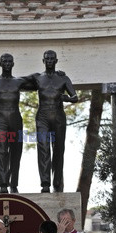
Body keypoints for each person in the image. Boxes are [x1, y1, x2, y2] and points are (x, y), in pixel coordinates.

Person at [0, 53, 36, 194]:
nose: (7, 63)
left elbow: (37, 79)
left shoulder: (18, 81)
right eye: (4, 61)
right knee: (2, 151)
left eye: (9, 61)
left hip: (15, 118)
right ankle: (3, 184)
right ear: (0, 64)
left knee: (16, 153)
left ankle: (14, 184)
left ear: (13, 64)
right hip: (0, 118)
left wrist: (54, 74)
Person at [27, 50, 78, 193]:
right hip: (42, 117)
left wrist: (65, 98)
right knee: (43, 149)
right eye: (47, 59)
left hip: (58, 117)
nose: (49, 61)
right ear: (43, 61)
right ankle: (45, 184)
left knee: (58, 150)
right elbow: (18, 81)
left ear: (56, 61)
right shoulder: (37, 78)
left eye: (52, 59)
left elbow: (75, 97)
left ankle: (57, 184)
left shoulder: (63, 79)